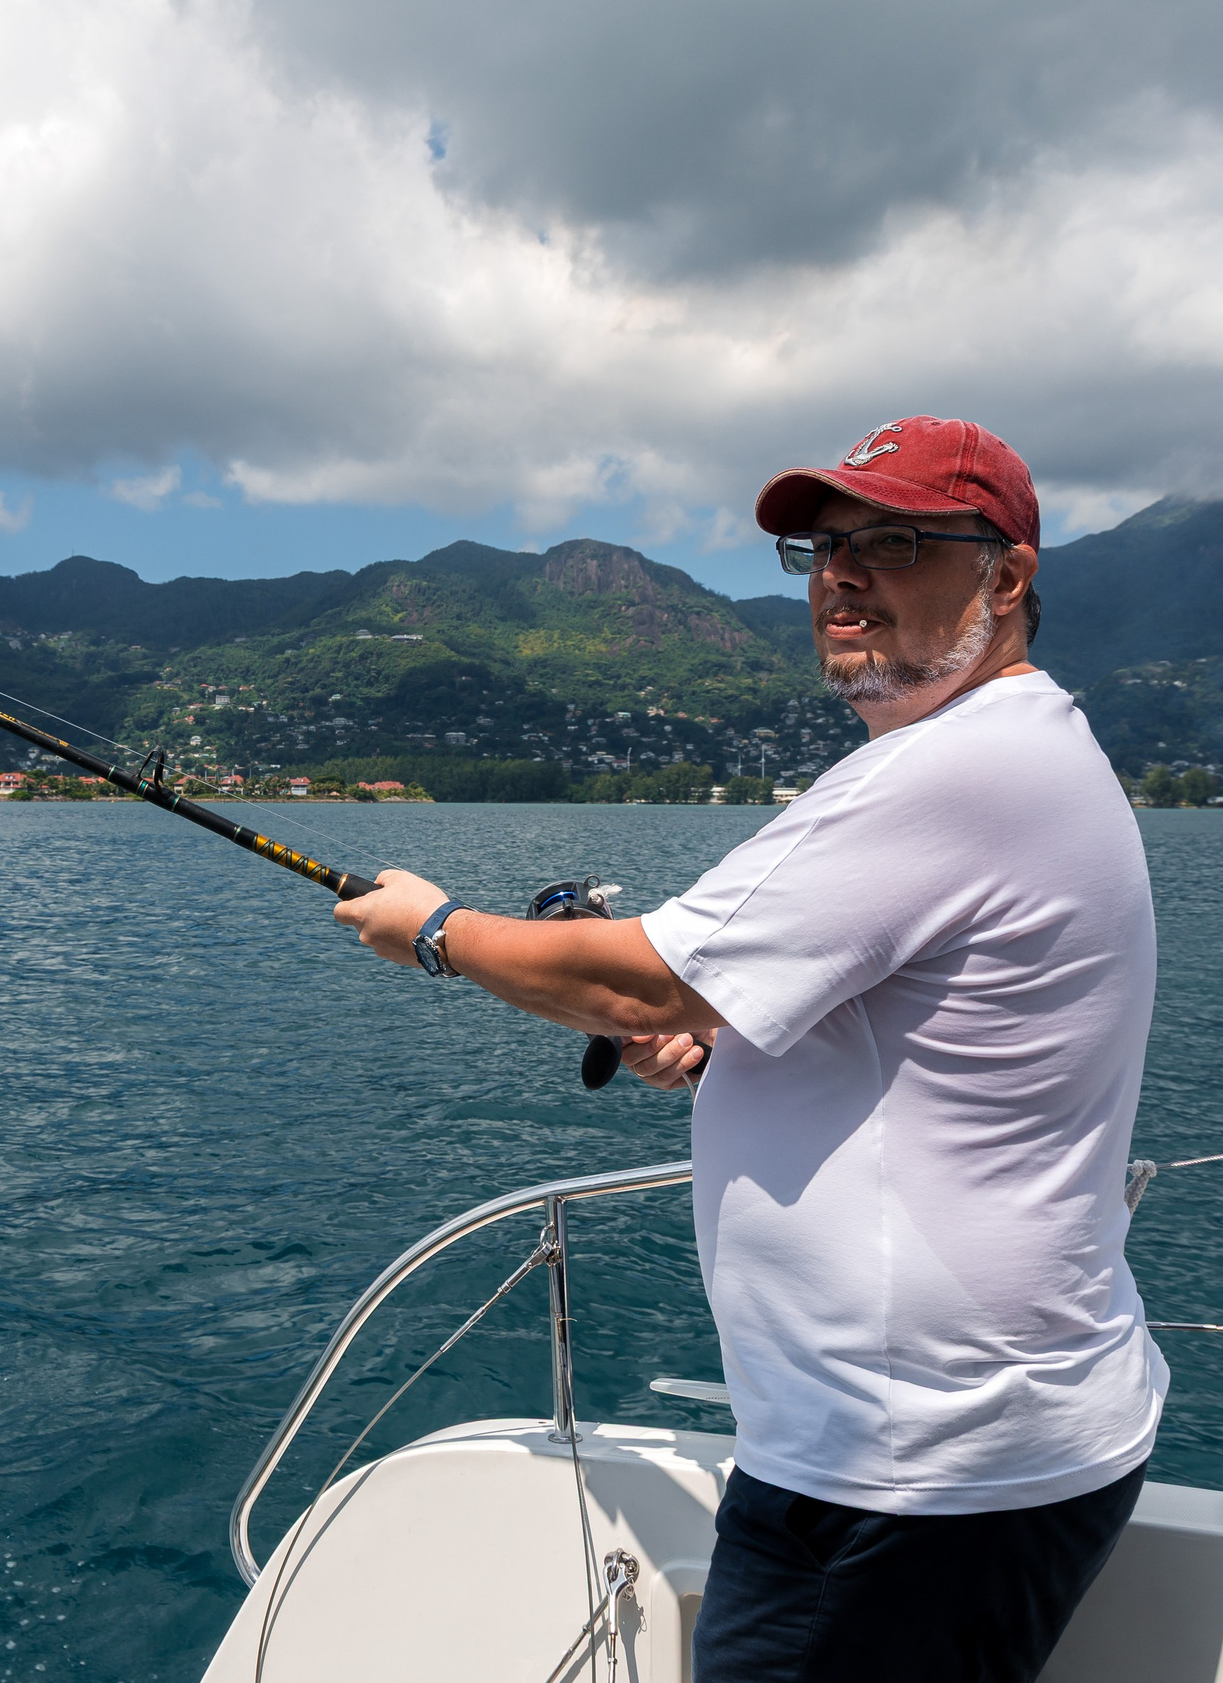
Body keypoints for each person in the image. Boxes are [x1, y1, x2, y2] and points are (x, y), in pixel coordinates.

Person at [333, 416, 1162, 1682]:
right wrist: (725, 1057)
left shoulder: (958, 771)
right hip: (927, 1445)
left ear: (1005, 578)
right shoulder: (1017, 753)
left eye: (890, 542)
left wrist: (436, 929)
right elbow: (910, 1041)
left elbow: (641, 971)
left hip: (914, 1471)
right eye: (823, 547)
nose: (840, 575)